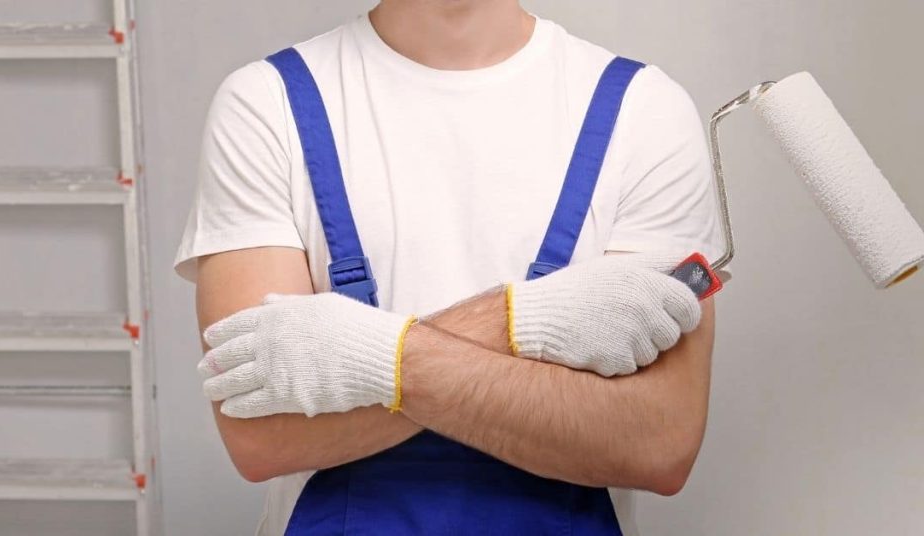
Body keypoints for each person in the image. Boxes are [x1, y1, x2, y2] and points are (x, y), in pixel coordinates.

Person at [174, 0, 724, 534]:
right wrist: (530, 324)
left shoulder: (643, 111)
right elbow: (261, 435)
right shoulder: (267, 104)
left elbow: (657, 443)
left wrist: (359, 355)